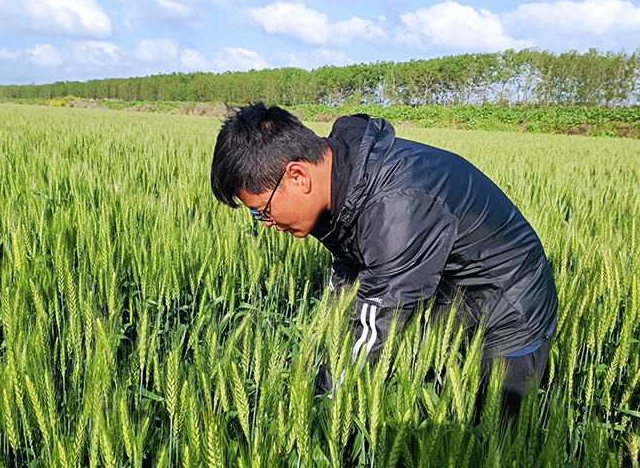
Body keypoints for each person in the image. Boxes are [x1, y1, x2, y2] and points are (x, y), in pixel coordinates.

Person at [210, 103, 558, 416]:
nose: (268, 224)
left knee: (497, 435)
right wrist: (323, 365)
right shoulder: (341, 180)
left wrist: (325, 409)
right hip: (450, 296)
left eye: (263, 211)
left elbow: (382, 318)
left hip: (510, 308)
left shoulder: (397, 207)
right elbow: (350, 282)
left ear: (298, 176)